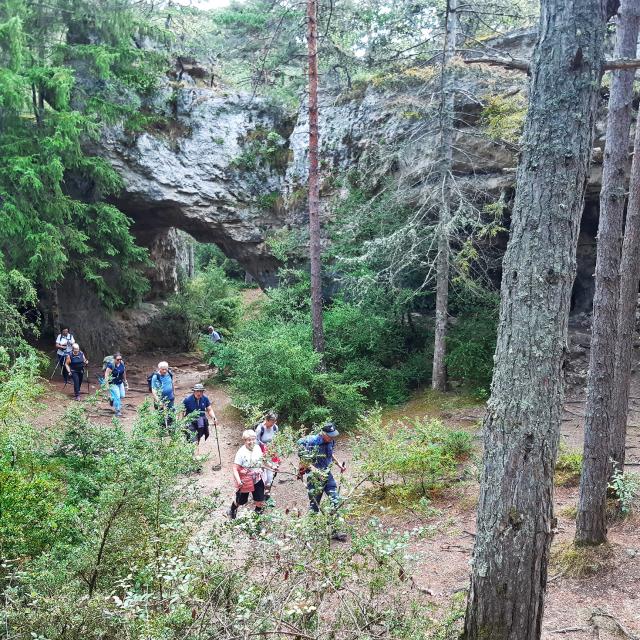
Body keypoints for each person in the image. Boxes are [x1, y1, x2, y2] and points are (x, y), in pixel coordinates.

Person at [298, 422, 347, 541]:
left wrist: (338, 464)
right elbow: (305, 462)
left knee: (335, 500)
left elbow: (330, 454)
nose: (332, 437)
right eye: (330, 435)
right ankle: (311, 529)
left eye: (333, 435)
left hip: (327, 475)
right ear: (323, 433)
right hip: (314, 477)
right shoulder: (312, 443)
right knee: (315, 504)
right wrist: (317, 472)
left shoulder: (331, 441)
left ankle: (336, 530)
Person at [228, 430, 275, 519]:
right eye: (249, 440)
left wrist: (271, 466)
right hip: (245, 480)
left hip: (257, 478)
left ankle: (257, 519)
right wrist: (239, 481)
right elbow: (235, 468)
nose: (251, 442)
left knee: (260, 501)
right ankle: (232, 509)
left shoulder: (257, 448)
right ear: (244, 440)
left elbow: (263, 460)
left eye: (253, 439)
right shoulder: (241, 452)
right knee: (241, 501)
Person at [181, 383, 217, 447]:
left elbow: (209, 409)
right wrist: (182, 422)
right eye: (197, 391)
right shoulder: (187, 400)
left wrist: (214, 417)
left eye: (201, 391)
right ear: (194, 391)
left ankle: (192, 449)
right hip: (190, 421)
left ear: (203, 392)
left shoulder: (205, 399)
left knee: (198, 437)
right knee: (194, 440)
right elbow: (182, 411)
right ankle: (195, 454)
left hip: (201, 421)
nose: (199, 393)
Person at [255, 412, 279, 495]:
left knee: (270, 472)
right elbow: (256, 443)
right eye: (272, 422)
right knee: (262, 472)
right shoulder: (260, 429)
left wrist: (277, 453)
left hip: (271, 452)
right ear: (267, 420)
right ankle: (260, 491)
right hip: (262, 453)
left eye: (274, 422)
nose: (273, 424)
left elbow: (277, 440)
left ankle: (267, 490)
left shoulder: (275, 428)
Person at [151, 361, 175, 426]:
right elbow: (154, 389)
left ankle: (171, 429)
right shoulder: (155, 377)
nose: (164, 371)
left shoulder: (169, 374)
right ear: (159, 369)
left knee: (171, 413)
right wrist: (158, 400)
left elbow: (172, 383)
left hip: (170, 397)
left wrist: (173, 393)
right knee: (160, 415)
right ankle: (162, 431)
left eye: (166, 369)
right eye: (163, 369)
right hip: (160, 399)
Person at [104, 352, 128, 418]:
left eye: (120, 359)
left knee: (122, 395)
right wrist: (107, 386)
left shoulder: (122, 363)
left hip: (120, 383)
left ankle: (112, 399)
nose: (119, 360)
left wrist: (125, 381)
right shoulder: (111, 365)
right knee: (117, 396)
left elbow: (124, 372)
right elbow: (106, 376)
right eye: (118, 359)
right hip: (113, 384)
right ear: (114, 359)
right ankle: (117, 411)